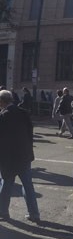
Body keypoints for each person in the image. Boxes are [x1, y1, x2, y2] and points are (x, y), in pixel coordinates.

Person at [0, 89, 40, 223]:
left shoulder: (3, 115)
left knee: (6, 185)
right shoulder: (23, 113)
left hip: (8, 157)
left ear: (2, 101)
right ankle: (34, 213)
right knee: (28, 185)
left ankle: (3, 212)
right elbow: (30, 134)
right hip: (24, 155)